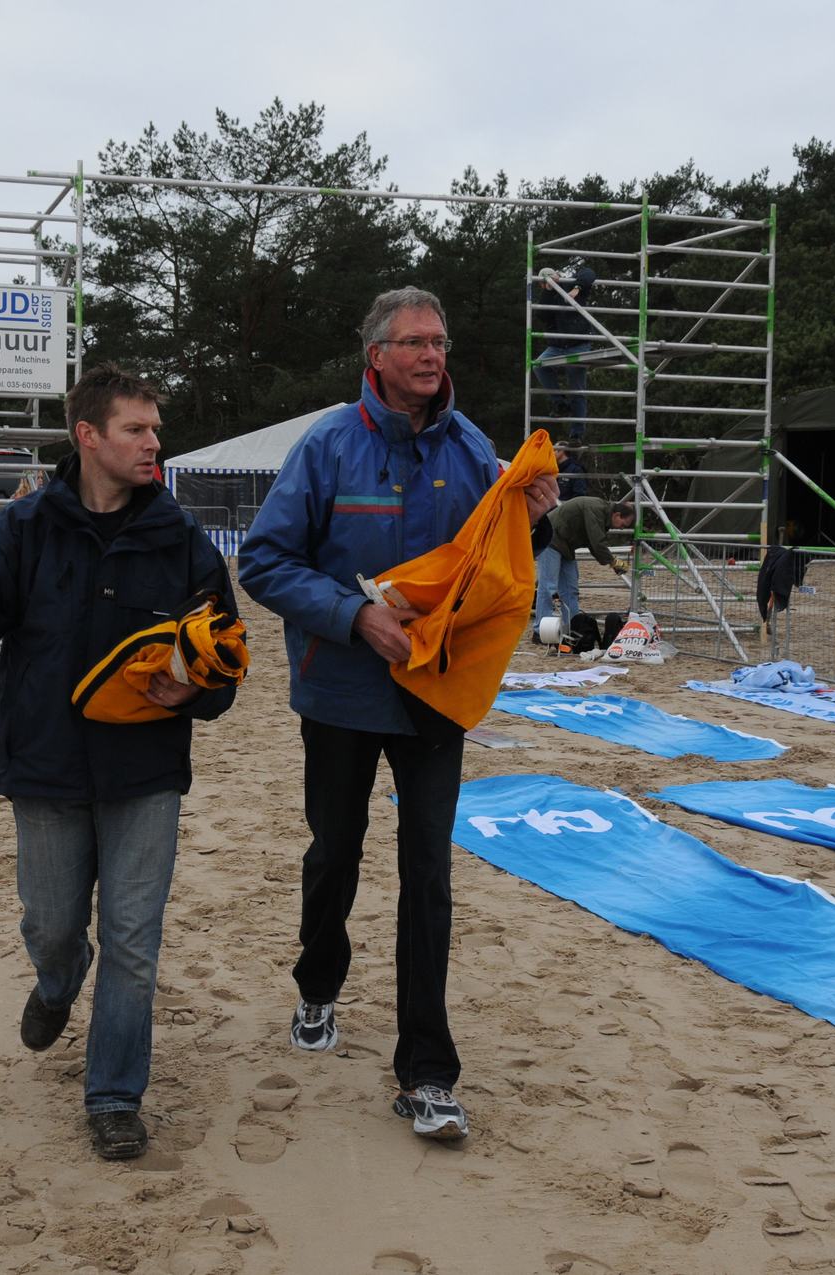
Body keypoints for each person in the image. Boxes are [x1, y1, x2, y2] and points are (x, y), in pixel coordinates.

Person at [0, 364, 238, 1162]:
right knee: (52, 926)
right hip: (45, 765)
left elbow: (224, 654)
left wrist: (197, 690)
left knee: (132, 939)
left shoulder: (181, 540)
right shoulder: (20, 531)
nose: (153, 443)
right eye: (135, 429)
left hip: (145, 772)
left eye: (155, 429)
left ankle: (114, 1094)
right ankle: (58, 978)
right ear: (88, 436)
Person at [239, 286, 559, 1142]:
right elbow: (264, 562)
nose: (431, 355)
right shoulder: (326, 445)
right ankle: (318, 984)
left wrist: (531, 523)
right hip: (341, 694)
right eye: (414, 342)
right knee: (334, 852)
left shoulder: (474, 447)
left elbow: (495, 569)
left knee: (429, 874)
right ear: (375, 355)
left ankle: (426, 1071)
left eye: (440, 342)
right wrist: (353, 616)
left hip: (434, 695)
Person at [535, 496, 635, 636]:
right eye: (623, 525)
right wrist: (613, 561)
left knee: (570, 589)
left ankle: (573, 628)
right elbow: (596, 543)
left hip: (565, 544)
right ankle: (540, 631)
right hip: (550, 539)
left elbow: (593, 543)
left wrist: (611, 561)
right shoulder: (596, 509)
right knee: (548, 587)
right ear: (617, 515)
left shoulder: (600, 513)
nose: (622, 528)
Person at [530, 258, 598, 444]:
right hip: (557, 346)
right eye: (544, 282)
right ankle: (559, 402)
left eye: (551, 278)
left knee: (577, 389)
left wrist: (576, 288)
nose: (548, 283)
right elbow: (542, 315)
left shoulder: (571, 283)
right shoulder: (547, 296)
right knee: (538, 366)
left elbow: (589, 273)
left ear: (557, 275)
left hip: (578, 344)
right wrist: (549, 291)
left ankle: (577, 433)